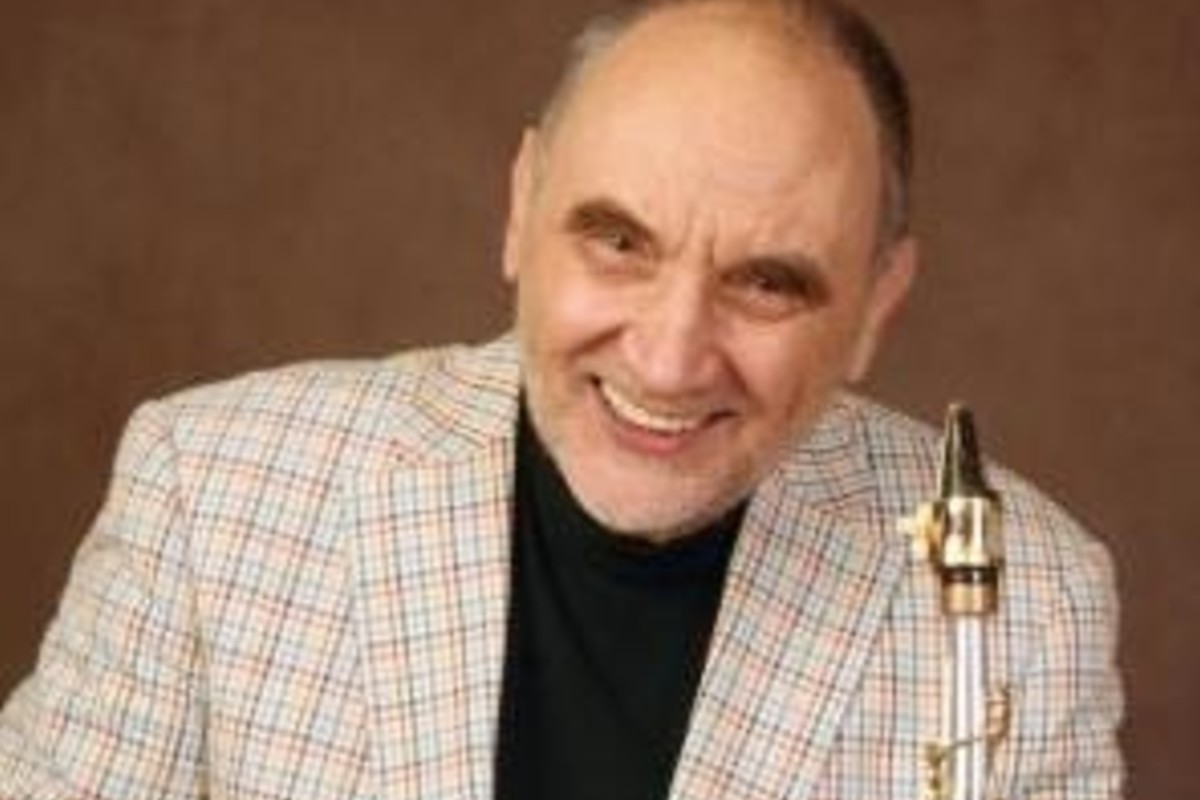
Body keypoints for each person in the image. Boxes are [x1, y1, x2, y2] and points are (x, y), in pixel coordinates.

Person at [0, 0, 1123, 797]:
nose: (670, 359)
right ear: (521, 207)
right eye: (619, 241)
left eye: (767, 283)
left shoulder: (1031, 603)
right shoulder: (210, 489)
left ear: (878, 304)